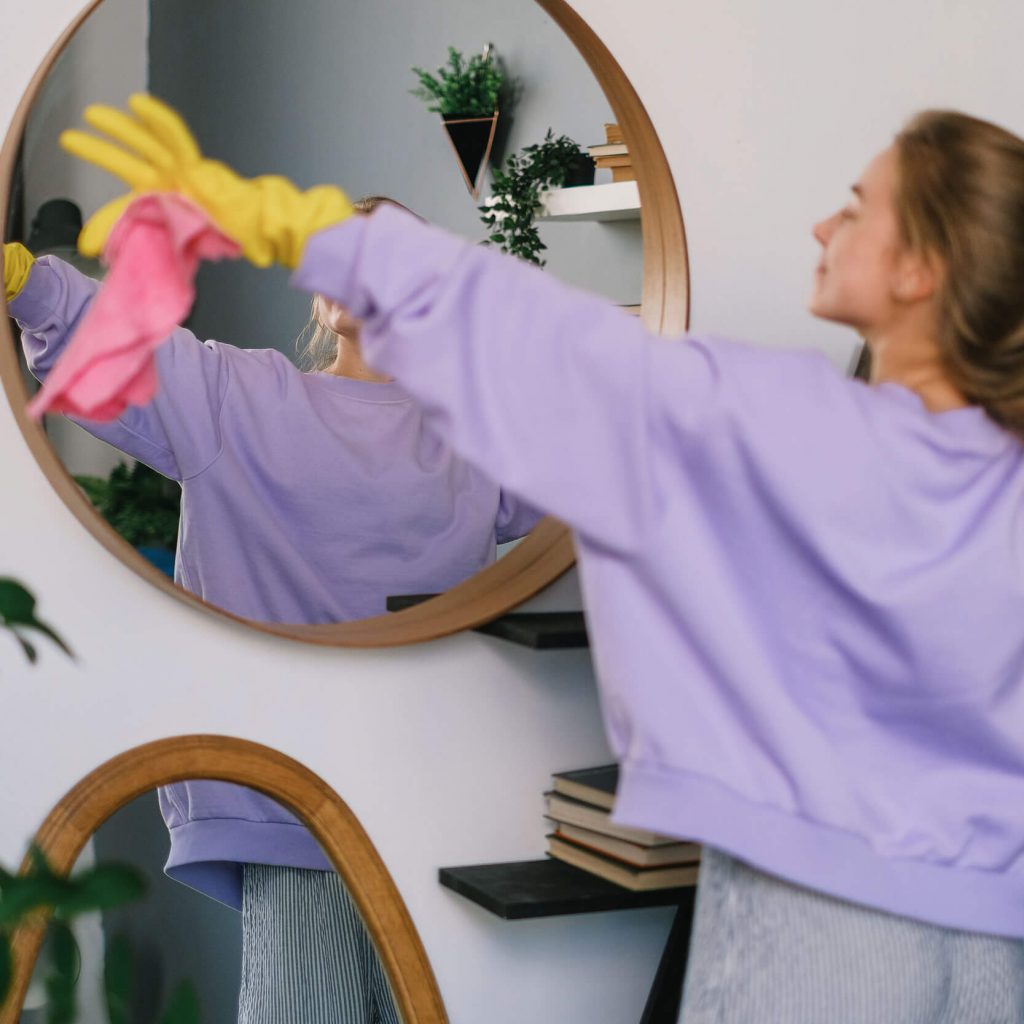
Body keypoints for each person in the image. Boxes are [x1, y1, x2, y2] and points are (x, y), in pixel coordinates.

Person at [45, 96, 1024, 1020]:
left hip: (824, 927)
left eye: (855, 208)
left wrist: (318, 233)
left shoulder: (773, 424)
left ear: (918, 271)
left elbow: (548, 345)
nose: (821, 226)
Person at [4, 191, 540, 1024]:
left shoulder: (482, 436)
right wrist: (27, 281)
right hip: (297, 801)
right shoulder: (236, 399)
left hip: (443, 794)